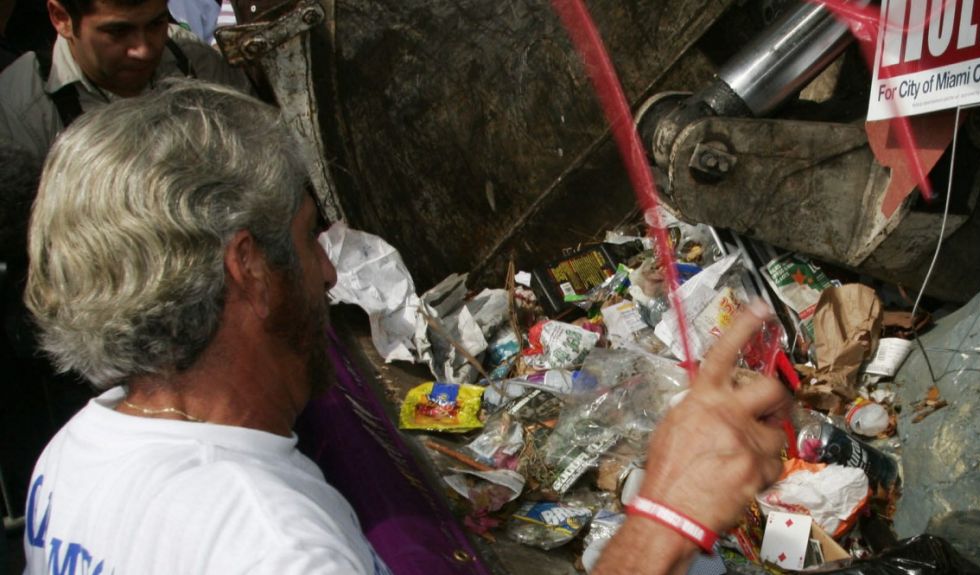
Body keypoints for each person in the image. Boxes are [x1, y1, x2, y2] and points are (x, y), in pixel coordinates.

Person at [22, 80, 790, 574]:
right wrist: (662, 516)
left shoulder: (72, 459)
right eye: (309, 235)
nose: (329, 271)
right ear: (248, 270)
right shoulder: (274, 546)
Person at [0, 0, 248, 161]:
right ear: (61, 18)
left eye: (155, 24)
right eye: (118, 32)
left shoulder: (194, 61)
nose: (144, 50)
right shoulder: (19, 112)